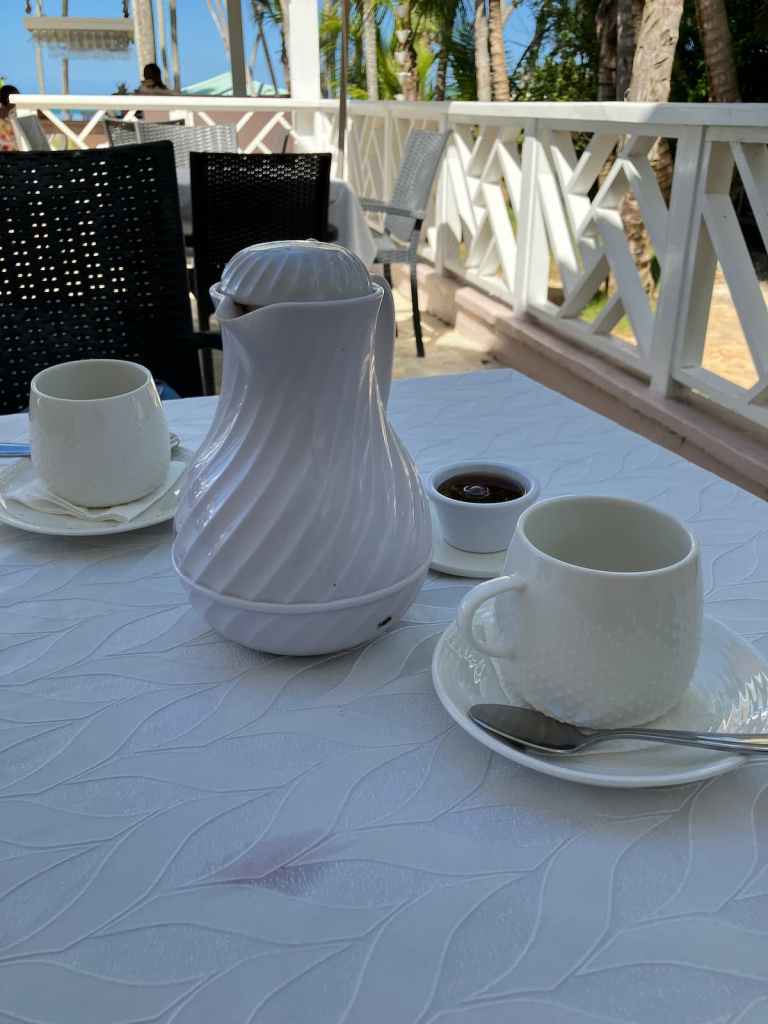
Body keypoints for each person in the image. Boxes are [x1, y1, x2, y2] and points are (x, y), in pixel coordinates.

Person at [0, 84, 19, 152]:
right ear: (8, 99)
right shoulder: (8, 119)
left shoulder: (11, 117)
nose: (18, 101)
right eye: (16, 97)